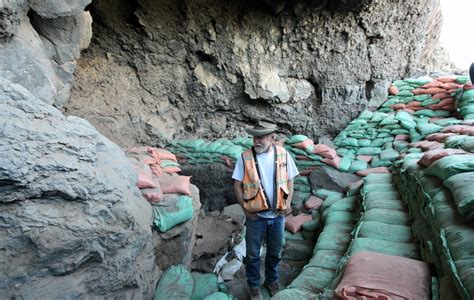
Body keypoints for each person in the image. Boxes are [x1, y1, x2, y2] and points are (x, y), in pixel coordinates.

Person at [232, 121, 299, 300]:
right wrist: (245, 209)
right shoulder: (245, 157)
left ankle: (272, 280)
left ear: (272, 137)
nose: (257, 140)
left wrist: (288, 202)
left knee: (274, 252)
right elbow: (237, 185)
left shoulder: (284, 154)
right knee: (253, 254)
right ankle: (254, 286)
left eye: (261, 137)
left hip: (277, 216)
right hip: (256, 217)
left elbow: (290, 181)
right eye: (255, 136)